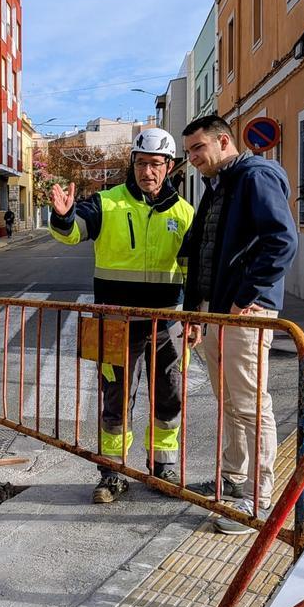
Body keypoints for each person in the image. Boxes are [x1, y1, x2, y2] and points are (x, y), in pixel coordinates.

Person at [49, 128, 195, 503]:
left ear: (170, 167)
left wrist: (195, 316)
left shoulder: (185, 213)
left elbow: (194, 271)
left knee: (170, 397)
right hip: (115, 324)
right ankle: (112, 472)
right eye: (141, 163)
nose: (148, 171)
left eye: (155, 164)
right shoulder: (106, 202)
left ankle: (163, 467)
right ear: (132, 164)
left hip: (168, 325)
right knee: (115, 400)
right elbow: (73, 231)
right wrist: (63, 217)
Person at [180, 115, 298, 534]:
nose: (191, 158)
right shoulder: (218, 185)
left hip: (244, 311)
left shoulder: (255, 176)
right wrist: (194, 311)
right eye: (189, 150)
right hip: (216, 310)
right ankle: (232, 479)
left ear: (224, 141)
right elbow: (202, 252)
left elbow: (281, 240)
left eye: (198, 149)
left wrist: (247, 296)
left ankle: (259, 500)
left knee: (249, 403)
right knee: (228, 399)